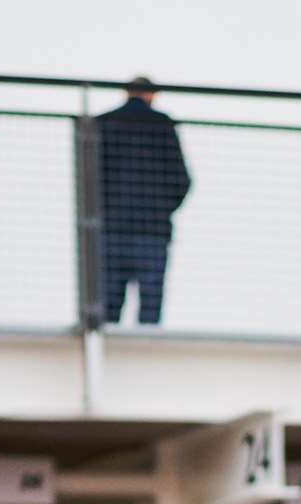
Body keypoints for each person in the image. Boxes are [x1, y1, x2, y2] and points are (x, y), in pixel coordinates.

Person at [96, 76, 191, 325]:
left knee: (108, 304)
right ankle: (147, 352)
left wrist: (102, 210)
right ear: (152, 95)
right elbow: (181, 180)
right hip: (152, 230)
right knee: (150, 305)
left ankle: (106, 353)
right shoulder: (162, 124)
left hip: (110, 227)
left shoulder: (104, 123)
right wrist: (161, 210)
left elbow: (90, 177)